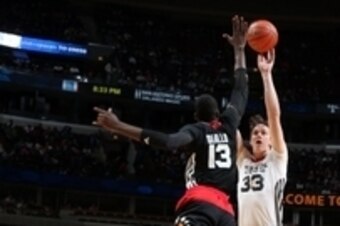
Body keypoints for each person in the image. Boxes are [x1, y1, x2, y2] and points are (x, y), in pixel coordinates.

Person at [93, 15, 249, 226]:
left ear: (196, 117)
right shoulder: (229, 123)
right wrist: (239, 51)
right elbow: (240, 89)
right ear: (218, 113)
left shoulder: (196, 130)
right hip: (227, 212)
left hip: (200, 203)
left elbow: (167, 141)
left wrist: (118, 126)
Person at [236, 49, 288, 226]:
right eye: (255, 132)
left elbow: (273, 115)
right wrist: (239, 53)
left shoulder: (277, 159)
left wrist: (266, 75)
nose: (259, 134)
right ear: (250, 140)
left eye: (264, 133)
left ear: (271, 141)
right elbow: (231, 123)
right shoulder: (243, 160)